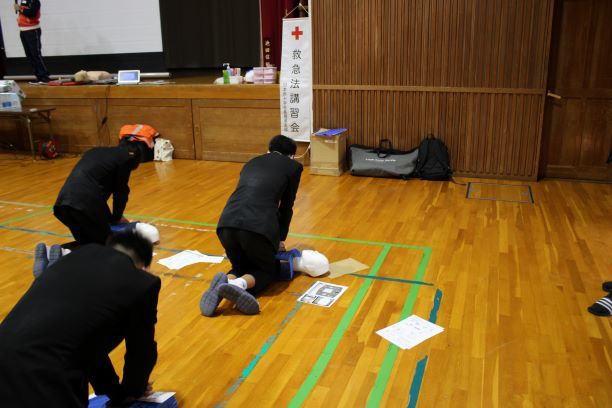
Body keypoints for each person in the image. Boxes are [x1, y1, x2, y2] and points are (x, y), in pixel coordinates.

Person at [0, 231, 161, 407]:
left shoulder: (76, 257)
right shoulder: (143, 283)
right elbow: (141, 351)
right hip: (47, 377)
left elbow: (88, 342)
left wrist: (116, 392)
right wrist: (132, 391)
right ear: (143, 265)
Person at [200, 135, 303, 316]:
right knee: (266, 269)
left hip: (226, 224)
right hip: (257, 227)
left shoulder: (251, 162)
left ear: (269, 149)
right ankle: (238, 285)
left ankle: (224, 284)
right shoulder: (293, 167)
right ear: (291, 156)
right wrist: (279, 238)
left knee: (240, 266)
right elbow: (286, 207)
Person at [53, 145, 142, 250]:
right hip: (84, 204)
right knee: (107, 245)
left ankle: (57, 253)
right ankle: (61, 252)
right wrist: (116, 218)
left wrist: (110, 218)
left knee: (87, 244)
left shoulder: (97, 152)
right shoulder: (125, 158)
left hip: (63, 205)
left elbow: (98, 197)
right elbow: (120, 192)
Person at [14, 0, 51, 84]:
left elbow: (31, 13)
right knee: (29, 55)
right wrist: (19, 8)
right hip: (23, 31)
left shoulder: (34, 1)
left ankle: (44, 77)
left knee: (36, 54)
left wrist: (19, 9)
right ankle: (38, 76)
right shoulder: (24, 1)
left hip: (32, 30)